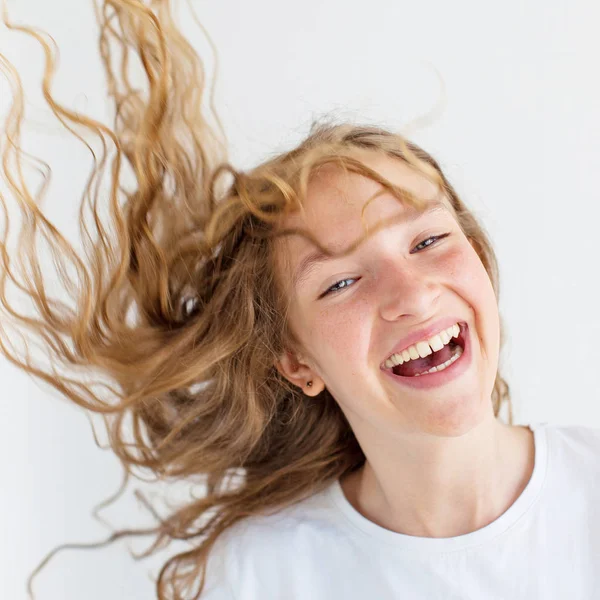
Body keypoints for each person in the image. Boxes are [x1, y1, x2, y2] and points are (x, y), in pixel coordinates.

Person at [1, 2, 599, 599]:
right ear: (296, 362)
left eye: (428, 240)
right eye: (340, 283)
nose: (412, 295)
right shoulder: (259, 574)